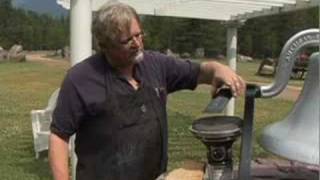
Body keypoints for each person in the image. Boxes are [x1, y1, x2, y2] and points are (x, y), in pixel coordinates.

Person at [49, 2, 245, 180]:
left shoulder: (156, 64)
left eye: (139, 35)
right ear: (105, 46)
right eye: (127, 40)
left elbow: (198, 72)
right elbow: (59, 136)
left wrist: (217, 69)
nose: (137, 44)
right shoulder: (80, 78)